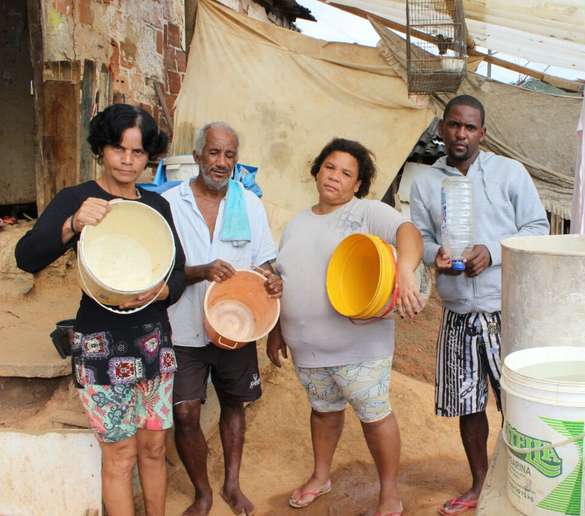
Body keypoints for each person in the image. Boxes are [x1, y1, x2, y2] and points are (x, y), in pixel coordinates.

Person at [15, 104, 186, 515]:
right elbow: (27, 256)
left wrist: (161, 292)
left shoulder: (156, 207)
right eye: (118, 148)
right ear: (102, 149)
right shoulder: (76, 198)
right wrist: (73, 223)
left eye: (139, 152)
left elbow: (177, 272)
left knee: (154, 447)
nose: (128, 160)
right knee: (121, 454)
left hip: (152, 343)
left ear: (149, 157)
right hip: (100, 346)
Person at [268, 138, 424, 516]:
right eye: (329, 167)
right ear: (317, 170)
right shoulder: (295, 224)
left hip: (359, 346)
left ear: (358, 184)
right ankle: (321, 476)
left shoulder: (366, 212)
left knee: (374, 415)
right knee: (323, 410)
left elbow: (409, 233)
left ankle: (390, 494)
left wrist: (405, 269)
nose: (335, 177)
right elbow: (283, 277)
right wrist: (276, 329)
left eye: (346, 173)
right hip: (308, 348)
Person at [410, 95, 549, 515]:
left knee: (516, 401)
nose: (460, 134)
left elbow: (537, 227)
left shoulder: (509, 173)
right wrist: (434, 253)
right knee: (468, 405)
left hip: (505, 310)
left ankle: (520, 479)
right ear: (441, 129)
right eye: (453, 125)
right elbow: (417, 237)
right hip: (457, 312)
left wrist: (492, 251)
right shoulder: (425, 182)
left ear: (482, 134)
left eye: (470, 127)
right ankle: (480, 483)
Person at [163, 122, 281, 516]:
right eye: (214, 153)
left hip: (236, 323)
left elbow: (263, 262)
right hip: (183, 326)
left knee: (234, 403)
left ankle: (232, 484)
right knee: (184, 412)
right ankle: (203, 493)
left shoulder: (247, 203)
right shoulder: (171, 203)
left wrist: (272, 278)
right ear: (197, 156)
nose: (221, 162)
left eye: (229, 155)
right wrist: (200, 271)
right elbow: (164, 271)